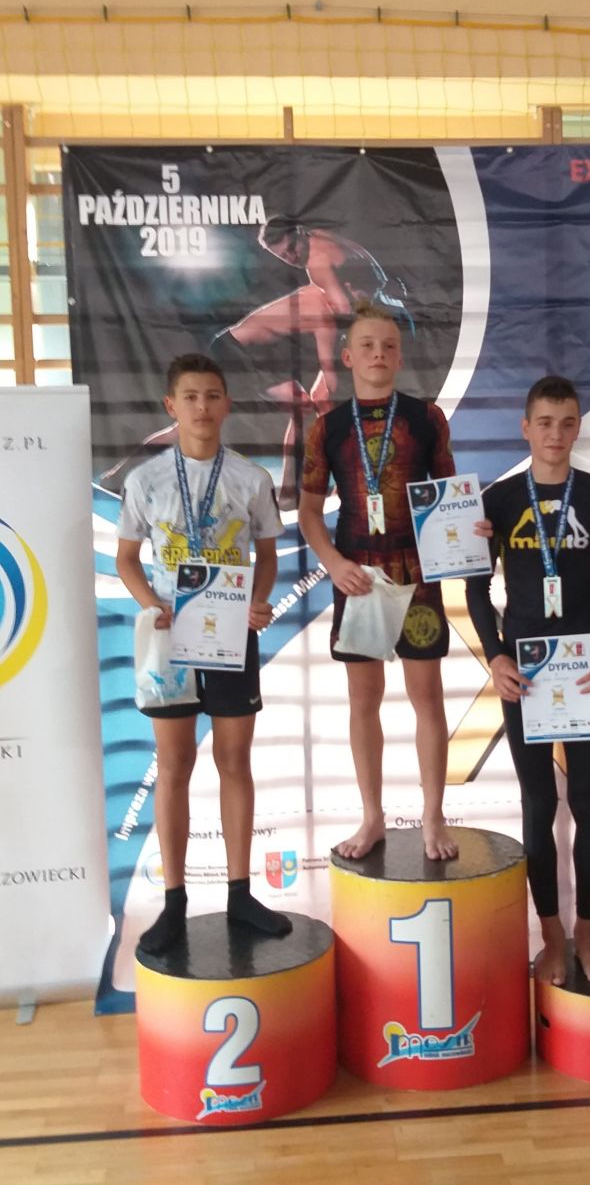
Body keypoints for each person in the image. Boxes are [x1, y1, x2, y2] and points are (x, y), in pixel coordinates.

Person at [116, 353, 289, 954]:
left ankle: (240, 894)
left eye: (213, 395)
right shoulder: (145, 481)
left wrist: (258, 601)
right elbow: (126, 559)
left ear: (227, 404)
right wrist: (151, 605)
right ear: (171, 405)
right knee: (174, 765)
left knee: (234, 760)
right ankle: (174, 903)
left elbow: (267, 555)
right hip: (169, 641)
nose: (202, 406)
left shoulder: (250, 478)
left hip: (230, 634)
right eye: (190, 396)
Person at [466, 376, 590, 985]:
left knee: (586, 800)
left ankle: (586, 932)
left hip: (584, 671)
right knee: (538, 803)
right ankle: (551, 936)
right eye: (544, 422)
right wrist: (494, 656)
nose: (555, 434)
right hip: (525, 672)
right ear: (525, 427)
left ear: (578, 426)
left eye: (566, 422)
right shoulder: (500, 499)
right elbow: (475, 587)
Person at [298, 302, 458, 862]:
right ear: (347, 357)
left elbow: (449, 500)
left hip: (417, 575)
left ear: (401, 355)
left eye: (389, 345)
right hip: (358, 577)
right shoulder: (327, 427)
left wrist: (467, 531)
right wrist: (332, 564)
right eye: (367, 345)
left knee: (427, 697)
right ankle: (372, 816)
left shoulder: (427, 418)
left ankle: (434, 815)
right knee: (363, 700)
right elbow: (309, 513)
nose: (378, 354)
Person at [215, 220, 414, 508]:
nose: (292, 257)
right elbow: (332, 355)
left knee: (316, 404)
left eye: (292, 248)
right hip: (233, 353)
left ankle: (309, 490)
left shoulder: (320, 270)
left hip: (244, 351)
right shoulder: (322, 265)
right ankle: (310, 489)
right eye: (284, 256)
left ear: (300, 233)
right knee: (316, 404)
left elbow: (345, 311)